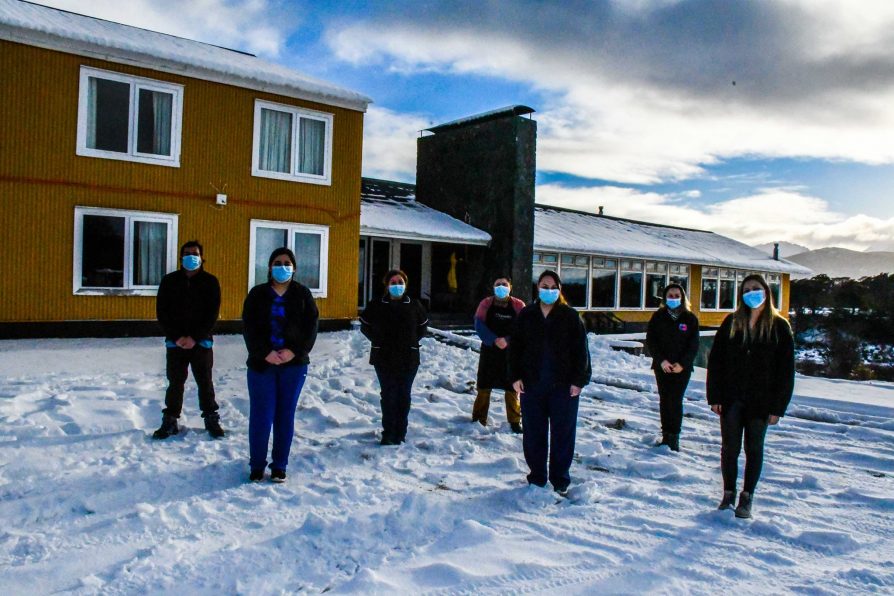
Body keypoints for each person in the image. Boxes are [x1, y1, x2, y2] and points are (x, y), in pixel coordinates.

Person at [707, 273, 795, 519]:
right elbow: (716, 362)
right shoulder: (731, 323)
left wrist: (778, 406)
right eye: (746, 290)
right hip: (732, 398)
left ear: (766, 292)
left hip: (761, 401)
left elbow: (786, 371)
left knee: (754, 448)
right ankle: (728, 493)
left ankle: (747, 496)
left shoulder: (779, 327)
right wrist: (715, 396)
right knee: (729, 448)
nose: (751, 293)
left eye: (756, 288)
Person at [510, 270, 591, 494]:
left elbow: (581, 352)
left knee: (562, 434)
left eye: (552, 287)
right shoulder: (527, 315)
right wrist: (515, 377)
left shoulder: (570, 316)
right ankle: (537, 477)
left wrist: (579, 380)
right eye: (544, 286)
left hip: (563, 387)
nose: (548, 291)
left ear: (559, 290)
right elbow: (515, 349)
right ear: (538, 288)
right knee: (534, 433)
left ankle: (560, 480)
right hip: (532, 384)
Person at [242, 247, 319, 482]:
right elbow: (249, 328)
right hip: (261, 365)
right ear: (269, 267)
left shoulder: (303, 295)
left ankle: (279, 465)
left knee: (285, 415)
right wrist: (264, 352)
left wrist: (294, 351)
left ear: (294, 268)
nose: (282, 266)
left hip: (293, 366)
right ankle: (257, 465)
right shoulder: (257, 295)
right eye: (277, 262)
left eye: (287, 262)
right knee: (261, 415)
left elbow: (311, 328)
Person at [154, 240, 224, 439]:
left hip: (201, 342)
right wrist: (176, 337)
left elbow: (212, 313)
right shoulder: (169, 281)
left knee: (205, 381)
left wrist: (195, 337)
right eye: (187, 253)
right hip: (175, 342)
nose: (191, 257)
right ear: (180, 257)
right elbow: (162, 312)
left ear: (202, 258)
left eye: (195, 253)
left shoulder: (210, 282)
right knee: (175, 382)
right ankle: (170, 419)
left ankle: (211, 417)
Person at [360, 269, 429, 445]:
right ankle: (388, 433)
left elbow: (422, 327)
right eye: (393, 282)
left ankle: (401, 432)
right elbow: (365, 326)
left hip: (408, 357)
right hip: (384, 357)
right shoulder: (376, 305)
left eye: (400, 282)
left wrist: (411, 341)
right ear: (387, 285)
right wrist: (378, 340)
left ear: (405, 285)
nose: (397, 286)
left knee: (403, 395)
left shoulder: (414, 305)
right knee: (389, 395)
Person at [646, 283, 700, 451]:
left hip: (681, 369)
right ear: (665, 298)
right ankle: (666, 435)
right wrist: (661, 360)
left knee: (675, 400)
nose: (674, 298)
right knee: (664, 399)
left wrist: (682, 364)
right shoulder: (658, 317)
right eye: (671, 295)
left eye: (677, 296)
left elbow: (693, 345)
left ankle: (674, 436)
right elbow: (651, 341)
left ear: (683, 297)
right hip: (662, 367)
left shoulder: (690, 318)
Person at [472, 276, 526, 432]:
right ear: (493, 287)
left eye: (504, 284)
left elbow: (523, 327)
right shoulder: (486, 304)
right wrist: (493, 339)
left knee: (512, 386)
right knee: (484, 384)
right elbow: (478, 323)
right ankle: (478, 418)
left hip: (511, 351)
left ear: (510, 287)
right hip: (489, 350)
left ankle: (515, 421)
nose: (501, 287)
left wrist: (508, 340)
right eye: (498, 284)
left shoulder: (518, 305)